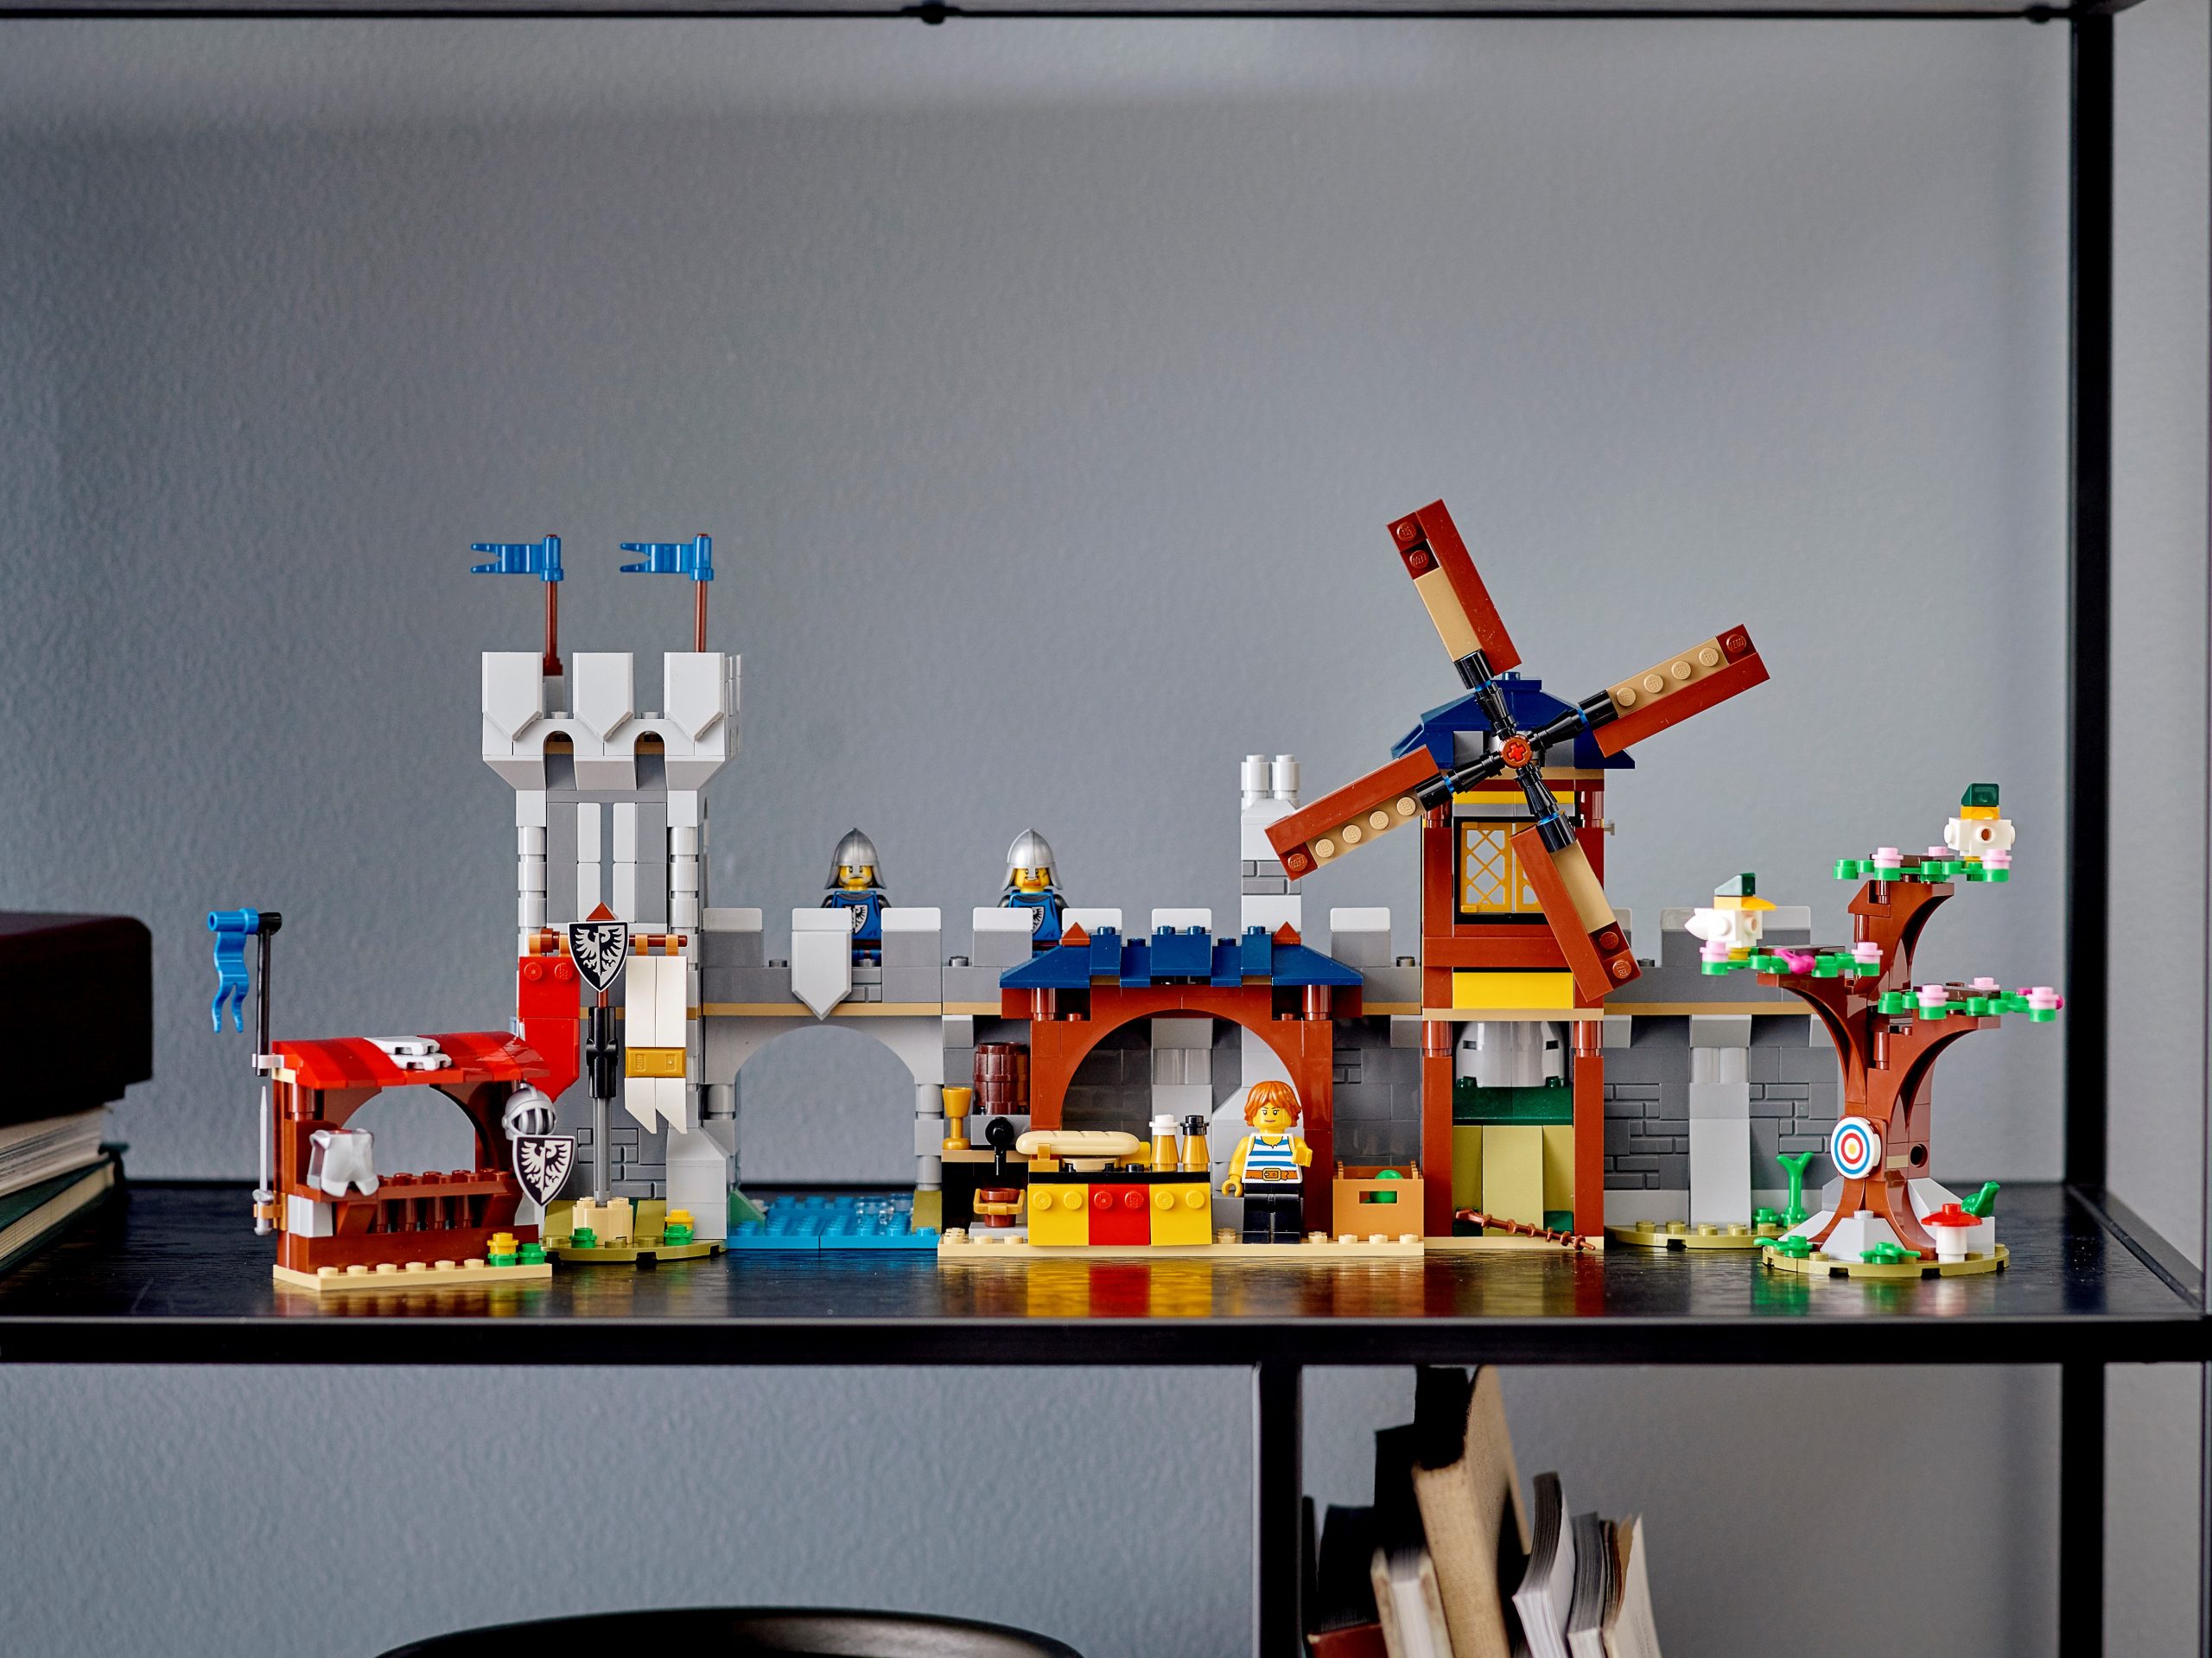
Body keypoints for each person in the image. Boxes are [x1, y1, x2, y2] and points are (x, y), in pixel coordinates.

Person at [1221, 1078, 1312, 1244]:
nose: (1269, 1115)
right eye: (1264, 1111)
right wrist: (1234, 1179)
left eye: (1276, 1112)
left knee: (1288, 1209)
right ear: (1253, 1113)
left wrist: (1303, 1154)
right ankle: (1255, 1235)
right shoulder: (1248, 1142)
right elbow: (1238, 1162)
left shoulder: (1294, 1141)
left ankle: (1288, 1235)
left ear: (1291, 1113)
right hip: (1256, 1184)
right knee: (1255, 1209)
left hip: (1287, 1185)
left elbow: (1306, 1157)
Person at [822, 828, 888, 964]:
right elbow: (818, 929)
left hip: (873, 950)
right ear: (837, 872)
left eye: (862, 869)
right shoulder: (831, 902)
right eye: (850, 869)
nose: (856, 873)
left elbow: (894, 928)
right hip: (838, 949)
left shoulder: (879, 902)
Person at [998, 828, 1066, 950]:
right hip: (1015, 947)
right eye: (1025, 872)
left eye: (1039, 872)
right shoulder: (1007, 903)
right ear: (1013, 874)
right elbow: (994, 929)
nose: (1032, 876)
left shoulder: (1056, 902)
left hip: (1051, 948)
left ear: (1049, 873)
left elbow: (1071, 924)